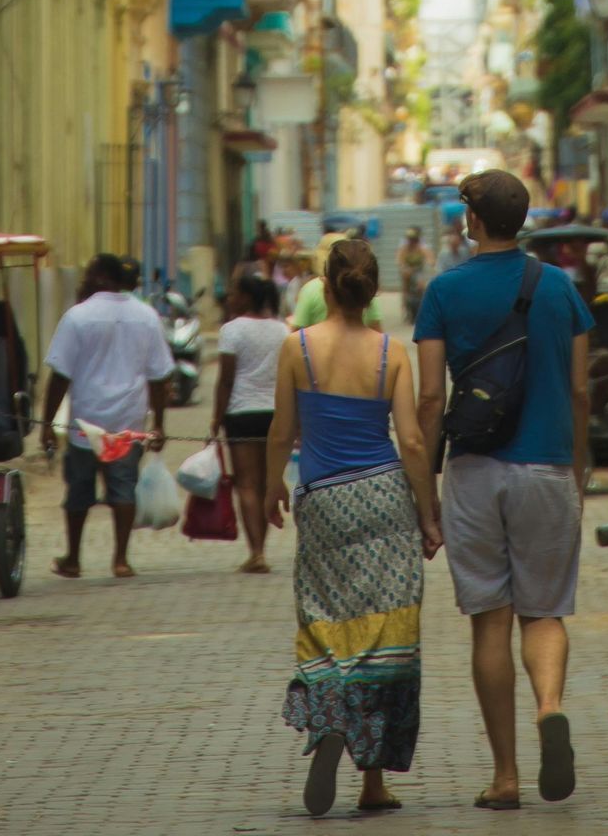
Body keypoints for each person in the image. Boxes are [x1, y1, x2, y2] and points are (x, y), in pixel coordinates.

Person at [415, 169, 591, 812]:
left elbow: (432, 397)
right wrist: (578, 466)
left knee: (489, 619)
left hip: (474, 468)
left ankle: (507, 775)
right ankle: (550, 709)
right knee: (543, 611)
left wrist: (425, 489)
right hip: (546, 465)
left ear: (474, 220)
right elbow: (579, 389)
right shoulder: (559, 288)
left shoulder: (443, 291)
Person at [267, 237, 441, 818]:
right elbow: (412, 440)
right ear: (373, 288)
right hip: (383, 499)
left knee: (325, 618)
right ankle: (373, 784)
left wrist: (272, 489)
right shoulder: (392, 353)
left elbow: (280, 432)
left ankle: (332, 714)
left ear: (326, 283)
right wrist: (428, 513)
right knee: (385, 632)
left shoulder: (297, 348)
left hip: (322, 502)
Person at [40, 253, 174, 580]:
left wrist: (46, 424)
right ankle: (121, 560)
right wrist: (159, 424)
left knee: (78, 492)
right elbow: (160, 377)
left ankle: (73, 558)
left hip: (85, 422)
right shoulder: (147, 316)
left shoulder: (77, 317)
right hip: (128, 420)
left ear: (100, 277)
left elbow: (60, 375)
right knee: (123, 488)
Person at [214, 263, 288, 573]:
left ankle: (256, 552)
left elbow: (226, 380)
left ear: (246, 297)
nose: (229, 298)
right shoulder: (283, 330)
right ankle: (262, 549)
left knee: (246, 485)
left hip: (241, 413)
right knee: (267, 483)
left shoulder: (232, 330)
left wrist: (216, 419)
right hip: (273, 414)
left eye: (233, 293)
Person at [396, 227, 430, 323]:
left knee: (421, 285)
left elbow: (430, 258)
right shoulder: (404, 249)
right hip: (408, 271)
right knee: (405, 287)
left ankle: (423, 309)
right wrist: (403, 267)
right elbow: (399, 260)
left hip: (419, 271)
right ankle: (405, 310)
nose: (412, 242)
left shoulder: (421, 248)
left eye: (414, 239)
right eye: (410, 239)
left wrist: (429, 263)